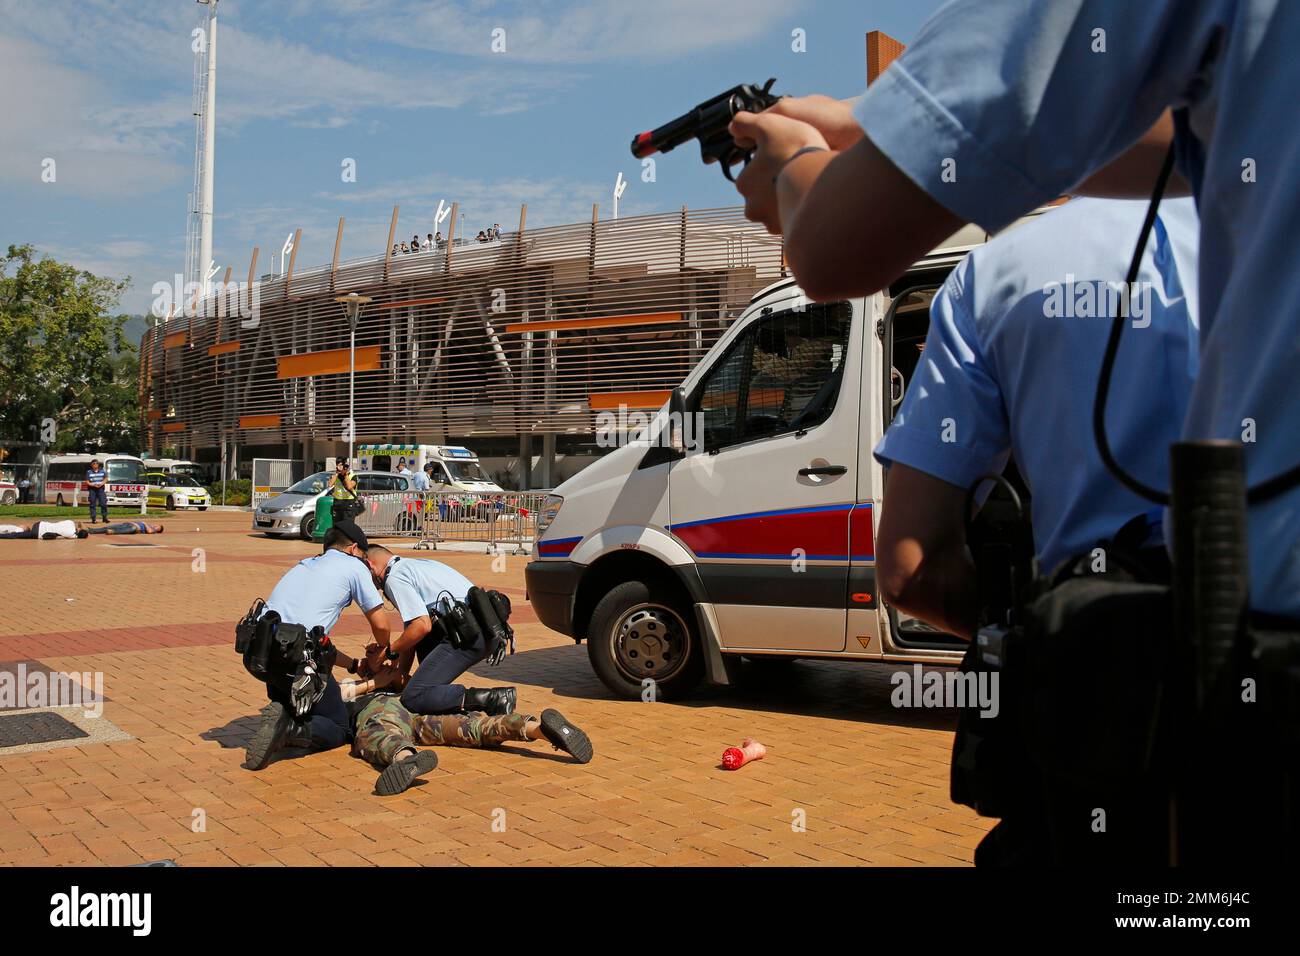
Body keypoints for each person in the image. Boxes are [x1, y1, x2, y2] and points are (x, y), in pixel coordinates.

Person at [874, 196, 1199, 639]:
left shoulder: (994, 274)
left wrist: (1042, 635)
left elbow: (908, 570)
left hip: (1102, 658)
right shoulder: (1269, 222)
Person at [243, 520, 390, 770]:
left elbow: (318, 641)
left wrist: (355, 665)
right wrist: (385, 652)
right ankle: (289, 728)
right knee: (337, 727)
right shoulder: (354, 567)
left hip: (261, 654)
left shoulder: (304, 565)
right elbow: (381, 625)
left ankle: (285, 714)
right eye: (364, 556)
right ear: (354, 549)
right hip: (298, 663)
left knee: (303, 704)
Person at [339, 665, 593, 795]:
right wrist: (373, 680)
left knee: (379, 734)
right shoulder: (356, 683)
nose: (371, 654)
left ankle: (406, 759)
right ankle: (537, 729)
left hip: (398, 708)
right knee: (471, 727)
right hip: (403, 713)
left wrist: (386, 677)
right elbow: (340, 693)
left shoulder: (392, 681)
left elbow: (410, 685)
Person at [361, 544, 515, 717]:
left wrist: (388, 652)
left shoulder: (394, 577)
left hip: (466, 633)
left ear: (369, 565)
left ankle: (494, 699)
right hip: (482, 629)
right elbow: (413, 630)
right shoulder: (414, 565)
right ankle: (443, 699)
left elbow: (422, 626)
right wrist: (400, 672)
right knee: (421, 689)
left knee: (414, 697)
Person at [328, 457, 361, 524]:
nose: (338, 467)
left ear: (345, 465)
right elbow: (330, 484)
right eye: (337, 465)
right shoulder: (335, 475)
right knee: (337, 525)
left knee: (348, 525)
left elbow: (349, 487)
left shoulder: (353, 476)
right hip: (337, 502)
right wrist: (337, 473)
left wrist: (345, 474)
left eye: (340, 465)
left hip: (348, 503)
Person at [84, 459, 108, 524]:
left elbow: (106, 479)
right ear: (91, 465)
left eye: (96, 463)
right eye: (93, 463)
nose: (95, 465)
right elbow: (87, 481)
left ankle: (104, 517)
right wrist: (93, 484)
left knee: (103, 503)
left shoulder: (102, 471)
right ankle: (93, 518)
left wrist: (101, 483)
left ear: (98, 464)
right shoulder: (89, 472)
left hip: (100, 489)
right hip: (92, 489)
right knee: (92, 504)